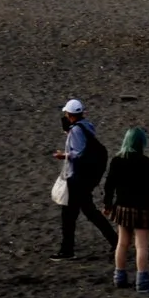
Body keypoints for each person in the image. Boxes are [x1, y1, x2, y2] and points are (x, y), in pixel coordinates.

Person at [100, 125, 149, 292]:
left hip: (122, 206)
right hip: (141, 207)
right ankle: (142, 283)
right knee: (141, 246)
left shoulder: (117, 160)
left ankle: (119, 278)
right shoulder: (144, 161)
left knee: (122, 244)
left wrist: (107, 205)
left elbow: (109, 186)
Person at [54, 98, 116, 259]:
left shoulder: (76, 130)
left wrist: (63, 155)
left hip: (77, 178)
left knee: (69, 216)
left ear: (69, 114)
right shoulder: (86, 126)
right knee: (89, 212)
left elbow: (78, 153)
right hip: (85, 178)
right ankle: (115, 241)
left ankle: (67, 250)